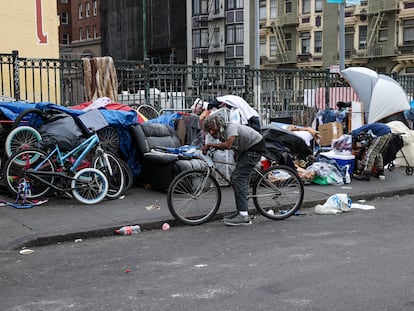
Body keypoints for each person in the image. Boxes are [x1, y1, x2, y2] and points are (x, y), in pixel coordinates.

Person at [201, 113, 266, 226]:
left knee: (238, 178)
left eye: (212, 129)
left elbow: (227, 145)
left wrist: (210, 145)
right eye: (209, 130)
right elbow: (233, 145)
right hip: (246, 149)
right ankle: (241, 209)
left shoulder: (230, 128)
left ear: (218, 125)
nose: (211, 132)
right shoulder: (221, 133)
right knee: (237, 178)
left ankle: (243, 215)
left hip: (255, 147)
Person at [192, 95, 261, 132]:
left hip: (251, 118)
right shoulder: (227, 100)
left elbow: (210, 107)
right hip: (250, 116)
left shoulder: (219, 100)